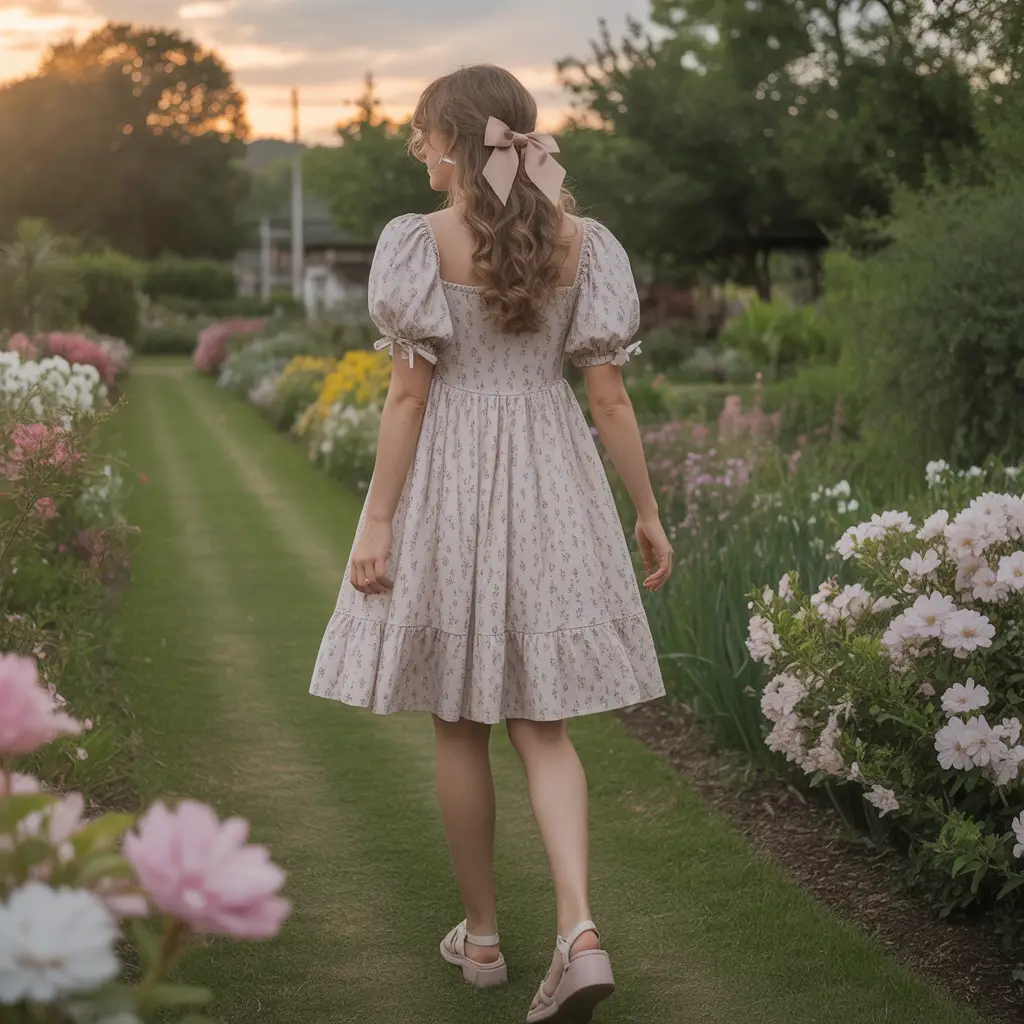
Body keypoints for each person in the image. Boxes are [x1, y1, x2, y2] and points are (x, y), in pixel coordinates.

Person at [309, 64, 673, 1023]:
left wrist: (378, 519)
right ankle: (579, 930)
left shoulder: (417, 242)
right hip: (552, 480)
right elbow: (607, 395)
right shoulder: (585, 244)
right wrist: (645, 510)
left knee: (458, 722)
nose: (413, 147)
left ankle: (480, 940)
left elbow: (409, 393)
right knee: (543, 727)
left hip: (453, 482)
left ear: (455, 139)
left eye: (422, 131)